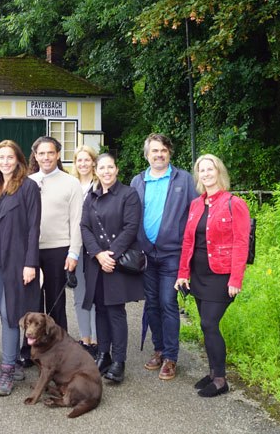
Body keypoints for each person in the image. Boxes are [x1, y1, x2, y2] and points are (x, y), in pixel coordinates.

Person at [176, 154, 249, 398]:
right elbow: (188, 240)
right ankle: (212, 371)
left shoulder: (234, 203)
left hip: (221, 275)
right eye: (202, 170)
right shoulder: (196, 204)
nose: (206, 174)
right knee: (205, 326)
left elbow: (241, 243)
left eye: (210, 169)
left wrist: (235, 279)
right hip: (198, 274)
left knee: (210, 323)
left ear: (219, 172)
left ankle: (220, 380)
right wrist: (183, 273)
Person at [130, 133, 197, 381]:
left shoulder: (184, 179)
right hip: (146, 253)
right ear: (147, 155)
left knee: (168, 303)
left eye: (163, 150)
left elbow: (194, 215)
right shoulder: (138, 181)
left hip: (172, 253)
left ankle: (171, 356)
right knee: (152, 303)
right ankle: (158, 349)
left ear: (169, 153)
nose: (159, 154)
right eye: (154, 151)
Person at [80, 153, 144, 383]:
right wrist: (97, 254)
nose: (106, 172)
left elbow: (131, 227)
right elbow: (84, 227)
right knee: (100, 309)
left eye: (110, 167)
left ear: (116, 169)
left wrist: (110, 255)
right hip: (96, 262)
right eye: (102, 168)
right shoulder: (91, 197)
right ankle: (103, 354)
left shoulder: (129, 194)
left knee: (116, 311)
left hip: (116, 262)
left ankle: (119, 361)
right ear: (96, 171)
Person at [0, 140, 41, 396]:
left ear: (19, 160)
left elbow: (34, 228)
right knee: (6, 313)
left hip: (17, 262)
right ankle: (14, 363)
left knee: (10, 314)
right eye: (1, 158)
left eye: (10, 157)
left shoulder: (29, 187)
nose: (5, 162)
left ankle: (8, 368)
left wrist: (30, 263)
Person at [28, 137, 83, 333]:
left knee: (56, 304)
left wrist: (74, 252)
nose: (46, 157)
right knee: (32, 304)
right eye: (41, 153)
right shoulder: (28, 182)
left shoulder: (71, 183)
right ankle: (33, 348)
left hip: (58, 250)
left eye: (50, 153)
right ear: (36, 156)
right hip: (31, 251)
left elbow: (77, 220)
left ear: (58, 154)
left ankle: (59, 349)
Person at [69, 146, 99, 354]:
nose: (83, 163)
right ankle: (84, 338)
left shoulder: (101, 185)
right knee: (79, 295)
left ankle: (97, 339)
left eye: (87, 160)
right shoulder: (71, 185)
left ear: (93, 162)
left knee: (95, 294)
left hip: (96, 247)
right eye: (79, 160)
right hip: (76, 246)